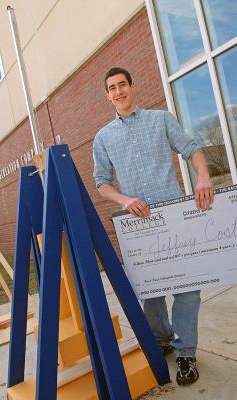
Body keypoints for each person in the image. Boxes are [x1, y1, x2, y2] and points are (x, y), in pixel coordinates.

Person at [93, 67, 214, 385]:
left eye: (123, 85)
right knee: (152, 294)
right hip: (139, 227)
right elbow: (102, 183)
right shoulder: (103, 137)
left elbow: (192, 150)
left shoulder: (161, 119)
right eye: (112, 88)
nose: (118, 92)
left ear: (133, 87)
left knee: (188, 290)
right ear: (107, 95)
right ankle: (162, 342)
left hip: (173, 220)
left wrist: (202, 176)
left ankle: (186, 353)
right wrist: (123, 200)